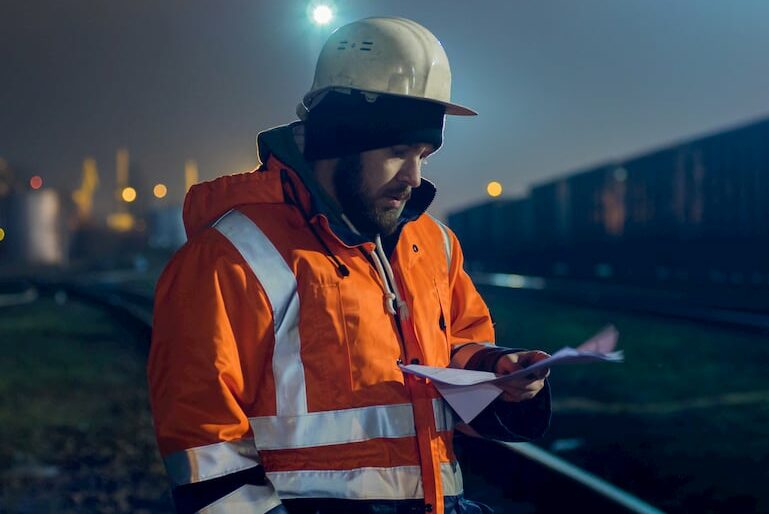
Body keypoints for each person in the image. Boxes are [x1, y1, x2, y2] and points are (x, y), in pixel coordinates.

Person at [148, 16, 551, 514]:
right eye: (398, 152)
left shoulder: (433, 245)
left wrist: (501, 375)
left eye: (423, 154)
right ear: (340, 137)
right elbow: (204, 446)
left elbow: (454, 358)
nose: (414, 176)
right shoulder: (231, 256)